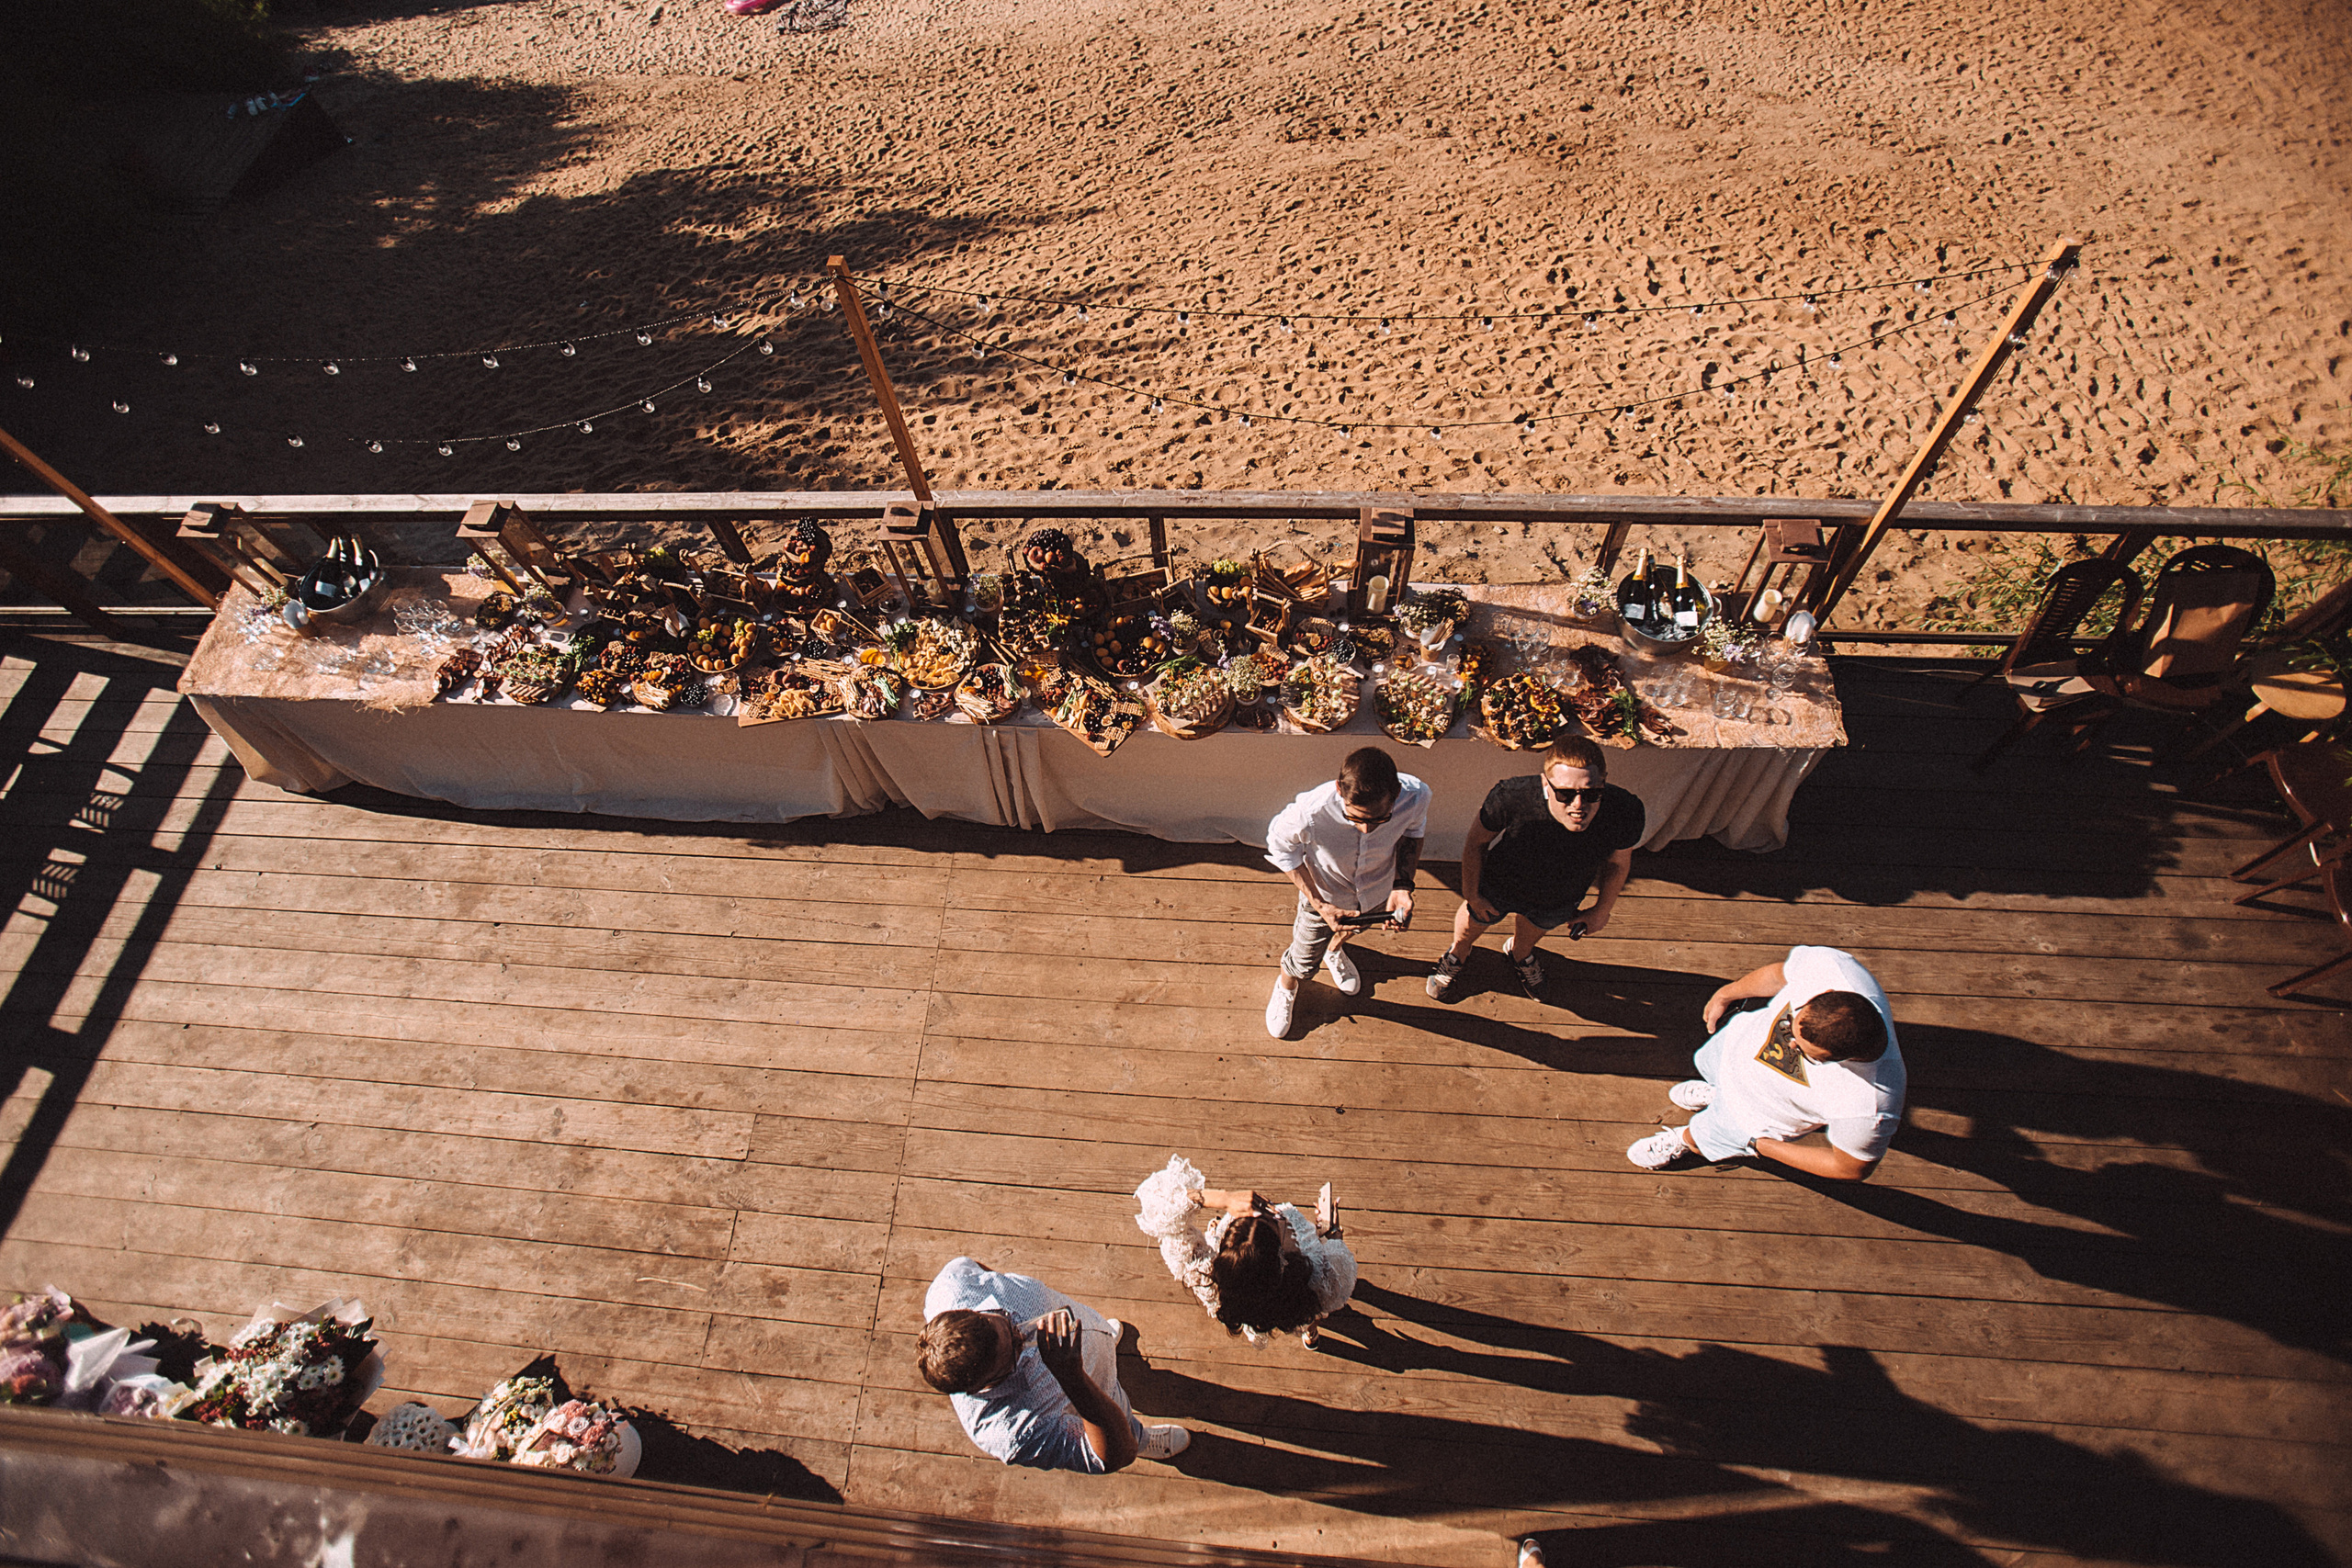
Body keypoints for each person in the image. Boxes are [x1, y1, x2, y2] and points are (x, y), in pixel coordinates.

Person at [1625, 945, 1905, 1179]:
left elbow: (1850, 1167)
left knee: (1709, 1133)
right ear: (1826, 992)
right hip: (1735, 1048)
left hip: (1755, 1116)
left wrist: (1762, 1145)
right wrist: (1727, 993)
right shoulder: (1832, 967)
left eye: (1805, 1052)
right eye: (1793, 1023)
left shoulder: (1869, 1105)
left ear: (1845, 1060)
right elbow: (1778, 975)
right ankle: (1716, 1091)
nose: (1790, 1043)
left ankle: (1686, 1140)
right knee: (1710, 1065)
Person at [917, 1257, 1190, 1472]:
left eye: (1004, 1320)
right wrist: (1074, 1379)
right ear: (980, 1386)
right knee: (1122, 1419)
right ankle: (1140, 1435)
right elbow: (1116, 1456)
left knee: (1100, 1336)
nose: (1023, 1332)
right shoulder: (1008, 1431)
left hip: (1090, 1328)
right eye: (1014, 1351)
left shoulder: (952, 1287)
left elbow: (981, 1270)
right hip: (1097, 1388)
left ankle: (1104, 1338)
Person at [1427, 736, 1644, 1000]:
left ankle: (1519, 953)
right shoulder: (1511, 797)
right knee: (1473, 922)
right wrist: (1472, 893)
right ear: (1545, 783)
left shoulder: (1625, 810)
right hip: (1500, 882)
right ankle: (1458, 953)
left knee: (1535, 929)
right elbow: (1476, 842)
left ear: (1604, 782)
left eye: (1591, 793)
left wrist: (1602, 909)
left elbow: (1618, 863)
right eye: (1564, 793)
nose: (1578, 805)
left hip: (1562, 893)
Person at [1262, 746, 1429, 1038]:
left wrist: (1402, 885)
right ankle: (1286, 986)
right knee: (1302, 960)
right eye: (1355, 818)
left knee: (1357, 931)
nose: (1366, 829)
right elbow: (1280, 848)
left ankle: (1335, 951)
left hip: (1379, 889)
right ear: (1340, 789)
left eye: (1379, 819)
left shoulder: (1416, 796)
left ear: (1397, 792)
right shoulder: (1309, 812)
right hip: (1325, 897)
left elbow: (1413, 833)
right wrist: (1321, 905)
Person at [1132, 1156, 1357, 1348]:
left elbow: (1159, 1211)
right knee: (1309, 1309)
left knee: (1302, 1308)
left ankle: (1308, 1330)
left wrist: (1222, 1199)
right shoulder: (1319, 1273)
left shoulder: (1206, 1278)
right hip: (1299, 1299)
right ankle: (1310, 1332)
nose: (1271, 1208)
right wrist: (1331, 1233)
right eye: (1273, 1217)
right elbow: (1337, 1271)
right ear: (1280, 1253)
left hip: (1261, 1301)